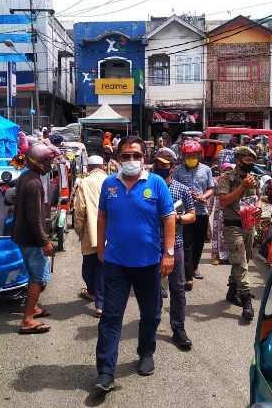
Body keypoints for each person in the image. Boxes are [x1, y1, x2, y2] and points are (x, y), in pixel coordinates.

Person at [93, 135, 175, 392]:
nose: (131, 160)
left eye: (136, 155)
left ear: (144, 158)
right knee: (110, 316)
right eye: (126, 155)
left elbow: (169, 218)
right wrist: (100, 247)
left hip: (149, 262)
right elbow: (102, 216)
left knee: (150, 313)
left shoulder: (156, 183)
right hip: (116, 262)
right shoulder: (109, 184)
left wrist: (168, 253)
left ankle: (146, 352)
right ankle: (105, 371)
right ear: (118, 158)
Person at [11, 141, 61, 334]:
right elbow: (34, 220)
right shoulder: (33, 184)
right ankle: (27, 320)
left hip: (22, 236)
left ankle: (34, 308)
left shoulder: (26, 176)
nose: (50, 165)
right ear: (39, 162)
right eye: (48, 161)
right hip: (31, 240)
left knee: (35, 275)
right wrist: (45, 242)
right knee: (37, 278)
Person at [153, 147, 196, 349]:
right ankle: (151, 324)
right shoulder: (148, 187)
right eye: (157, 165)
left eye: (164, 165)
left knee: (177, 288)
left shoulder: (182, 189)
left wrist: (176, 218)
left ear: (173, 167)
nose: (159, 168)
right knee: (152, 288)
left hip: (175, 245)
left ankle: (178, 328)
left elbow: (192, 215)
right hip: (151, 246)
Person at [218, 146, 262, 321]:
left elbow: (259, 197)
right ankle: (246, 300)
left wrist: (258, 208)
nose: (251, 164)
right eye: (248, 160)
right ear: (238, 160)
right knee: (241, 262)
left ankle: (232, 290)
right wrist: (242, 186)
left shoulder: (254, 179)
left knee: (243, 258)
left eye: (253, 161)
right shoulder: (226, 178)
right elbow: (223, 201)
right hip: (233, 226)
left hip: (249, 225)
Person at [172, 140, 215, 290]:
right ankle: (188, 277)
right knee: (187, 244)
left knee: (199, 243)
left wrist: (204, 196)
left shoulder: (206, 170)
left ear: (199, 155)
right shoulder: (178, 170)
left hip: (202, 212)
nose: (191, 157)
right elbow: (173, 188)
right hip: (185, 213)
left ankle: (194, 267)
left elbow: (211, 188)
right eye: (188, 155)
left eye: (194, 155)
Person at [74, 155, 108, 318]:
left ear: (88, 168)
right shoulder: (111, 181)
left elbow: (79, 210)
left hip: (91, 231)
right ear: (102, 166)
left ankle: (95, 296)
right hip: (109, 231)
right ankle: (99, 302)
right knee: (102, 266)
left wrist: (79, 230)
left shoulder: (84, 183)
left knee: (88, 266)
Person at [211, 162, 234, 265]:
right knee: (218, 234)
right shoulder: (216, 182)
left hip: (232, 210)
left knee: (230, 233)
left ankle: (231, 257)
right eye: (225, 170)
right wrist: (209, 208)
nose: (227, 172)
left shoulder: (234, 182)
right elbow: (212, 195)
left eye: (229, 170)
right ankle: (218, 257)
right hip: (219, 211)